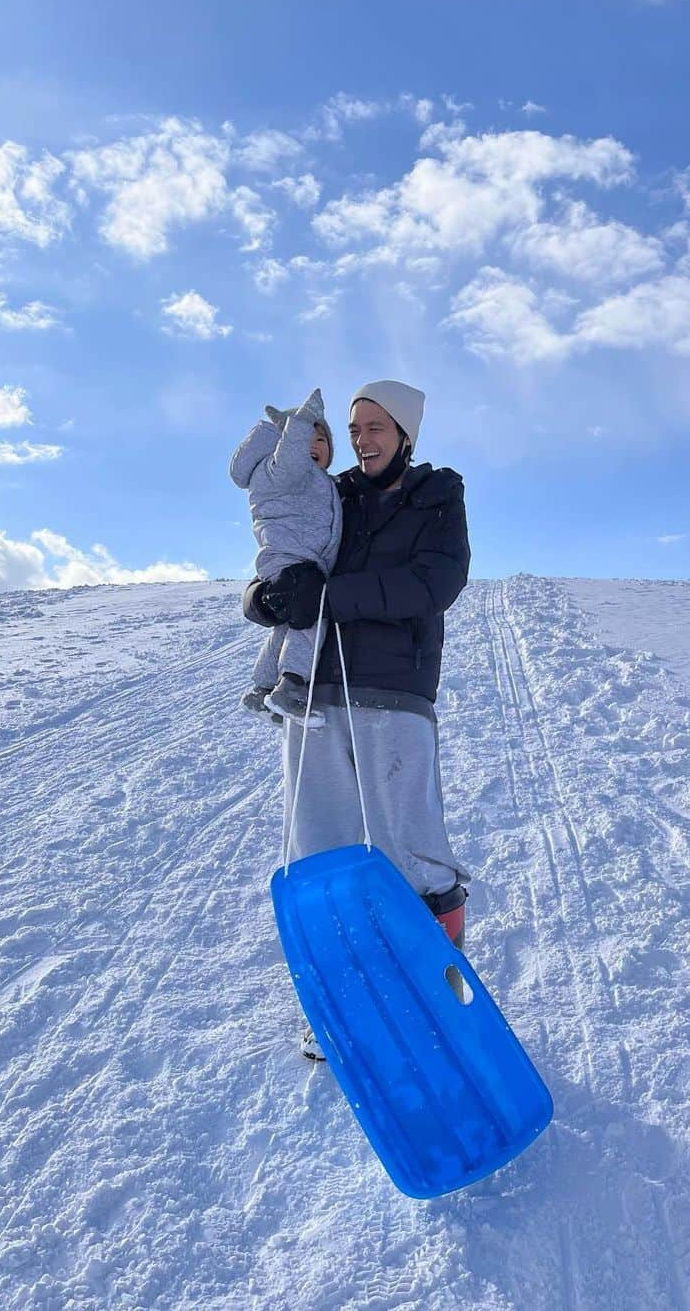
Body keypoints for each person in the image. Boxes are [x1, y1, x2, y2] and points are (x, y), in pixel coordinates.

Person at [242, 379, 471, 1061]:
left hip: (392, 691)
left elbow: (435, 584)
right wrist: (264, 595)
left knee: (410, 850)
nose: (365, 439)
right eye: (356, 427)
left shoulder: (436, 493)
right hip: (314, 690)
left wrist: (330, 595)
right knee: (319, 851)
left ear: (406, 434)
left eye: (377, 426)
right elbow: (292, 548)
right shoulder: (332, 493)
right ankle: (339, 1004)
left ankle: (441, 994)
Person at [229, 389, 341, 722]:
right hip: (295, 563)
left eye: (323, 439)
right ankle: (291, 685)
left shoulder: (305, 479)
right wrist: (302, 421)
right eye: (308, 437)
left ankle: (262, 689)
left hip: (290, 562)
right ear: (287, 441)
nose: (315, 445)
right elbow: (292, 454)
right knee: (311, 621)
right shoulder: (282, 470)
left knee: (287, 628)